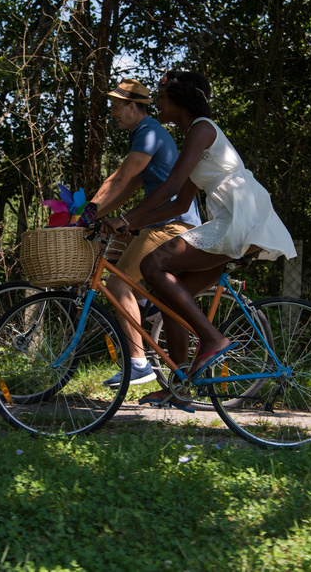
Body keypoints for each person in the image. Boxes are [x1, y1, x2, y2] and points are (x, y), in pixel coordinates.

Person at [102, 71, 296, 410]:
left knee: (152, 264)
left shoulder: (201, 129)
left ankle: (213, 338)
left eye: (161, 99)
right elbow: (177, 203)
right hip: (233, 218)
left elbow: (171, 187)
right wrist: (129, 225)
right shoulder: (195, 135)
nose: (157, 104)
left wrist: (127, 217)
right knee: (175, 301)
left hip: (239, 218)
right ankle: (180, 386)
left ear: (179, 100)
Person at [90, 78, 201, 387]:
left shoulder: (149, 133)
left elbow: (119, 178)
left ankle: (138, 364)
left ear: (132, 106)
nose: (112, 113)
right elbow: (132, 186)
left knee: (115, 282)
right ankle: (146, 309)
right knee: (112, 253)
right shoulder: (147, 133)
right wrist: (95, 216)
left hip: (171, 225)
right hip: (162, 223)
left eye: (115, 107)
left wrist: (81, 215)